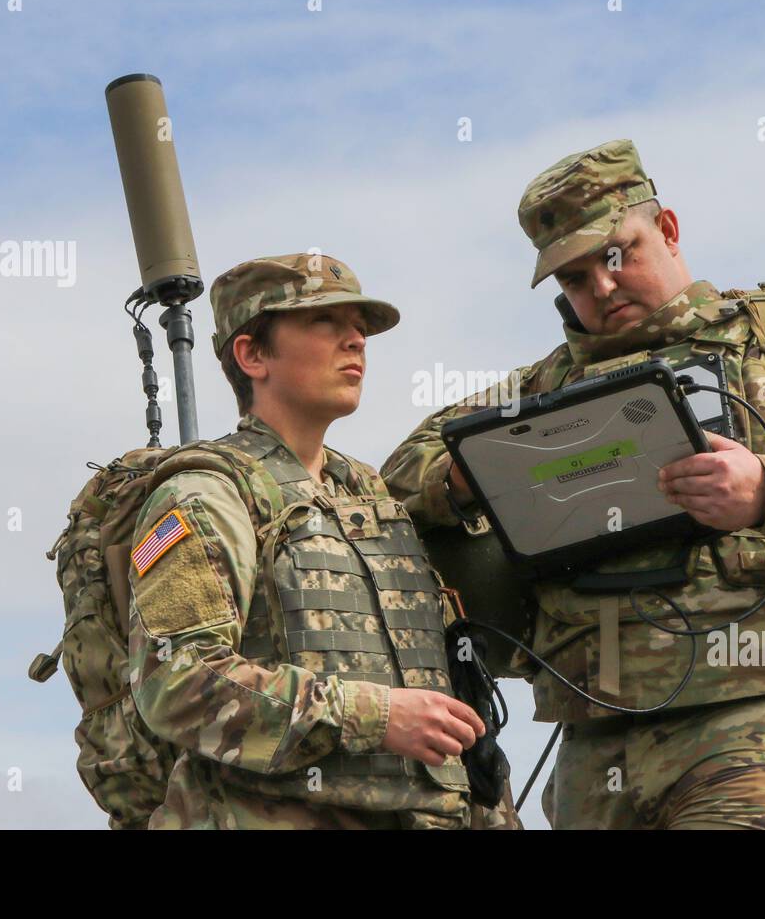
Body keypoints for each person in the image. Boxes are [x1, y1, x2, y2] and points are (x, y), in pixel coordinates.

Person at [380, 139, 765, 830]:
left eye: (617, 255)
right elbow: (389, 486)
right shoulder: (539, 389)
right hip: (597, 745)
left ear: (670, 229)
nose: (602, 287)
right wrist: (462, 479)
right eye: (573, 278)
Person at [128, 252, 514, 829]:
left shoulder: (372, 497)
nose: (355, 339)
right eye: (323, 323)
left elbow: (450, 691)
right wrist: (374, 716)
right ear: (252, 354)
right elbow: (178, 680)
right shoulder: (209, 494)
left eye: (358, 326)